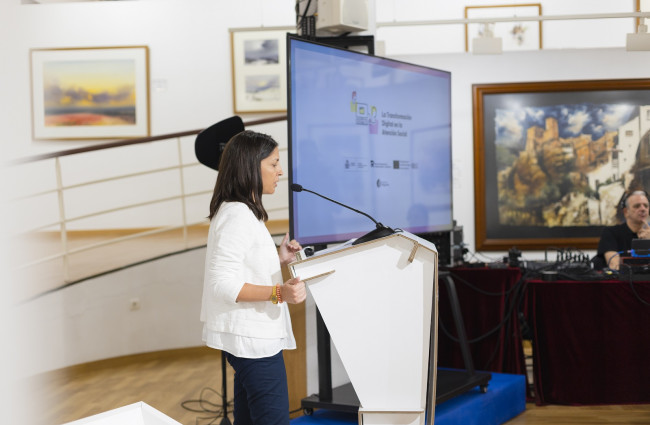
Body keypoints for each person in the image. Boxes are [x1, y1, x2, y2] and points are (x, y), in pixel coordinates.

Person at [200, 130, 306, 425]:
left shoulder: (243, 212)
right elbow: (222, 284)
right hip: (253, 341)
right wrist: (279, 293)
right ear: (250, 165)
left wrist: (278, 257)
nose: (280, 171)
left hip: (251, 339)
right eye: (273, 164)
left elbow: (242, 265)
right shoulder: (237, 215)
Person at [596, 190, 650, 270]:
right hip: (623, 281)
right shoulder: (611, 233)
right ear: (626, 212)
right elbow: (614, 265)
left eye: (646, 206)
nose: (643, 209)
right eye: (637, 206)